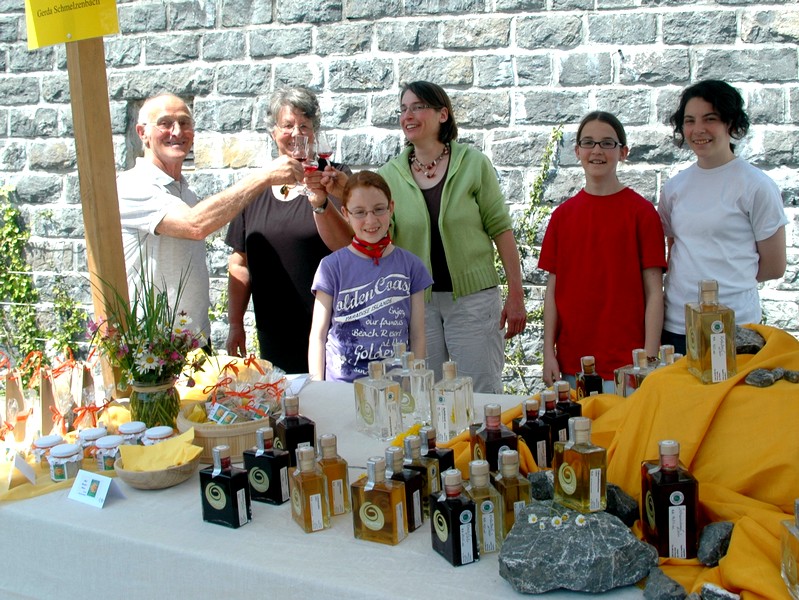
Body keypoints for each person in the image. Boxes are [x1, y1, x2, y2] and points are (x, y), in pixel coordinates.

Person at [117, 93, 304, 342]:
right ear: (142, 133)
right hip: (152, 346)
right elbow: (195, 225)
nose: (177, 131)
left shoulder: (186, 193)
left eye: (184, 123)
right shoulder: (132, 186)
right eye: (165, 123)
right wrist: (263, 177)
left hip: (194, 341)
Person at [378, 81, 526, 394]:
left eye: (418, 107)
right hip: (419, 304)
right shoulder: (389, 176)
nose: (408, 115)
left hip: (474, 301)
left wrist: (516, 294)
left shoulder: (473, 164)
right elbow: (380, 239)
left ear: (442, 114)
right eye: (403, 109)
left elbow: (501, 229)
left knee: (480, 393)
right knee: (424, 394)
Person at [225, 87, 352, 373]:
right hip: (274, 333)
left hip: (332, 329)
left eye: (304, 125)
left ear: (315, 132)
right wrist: (235, 324)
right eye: (287, 125)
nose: (296, 133)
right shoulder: (256, 187)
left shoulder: (335, 179)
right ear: (273, 133)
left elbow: (349, 246)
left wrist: (323, 202)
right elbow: (240, 263)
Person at [539, 111, 667, 391]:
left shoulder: (642, 213)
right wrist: (548, 352)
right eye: (588, 142)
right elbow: (552, 292)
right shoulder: (562, 217)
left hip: (628, 367)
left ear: (623, 152)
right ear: (577, 151)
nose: (597, 150)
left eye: (607, 143)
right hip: (572, 365)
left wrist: (649, 360)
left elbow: (654, 292)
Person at [659, 80, 788, 354]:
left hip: (736, 327)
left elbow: (774, 266)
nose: (698, 129)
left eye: (710, 119)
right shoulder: (674, 188)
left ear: (730, 123)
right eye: (689, 121)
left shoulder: (756, 185)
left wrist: (730, 285)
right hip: (677, 326)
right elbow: (675, 252)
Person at [308, 171, 433, 383]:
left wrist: (414, 382)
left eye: (379, 209)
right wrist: (317, 386)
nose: (370, 220)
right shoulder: (331, 267)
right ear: (345, 213)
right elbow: (318, 336)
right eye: (359, 212)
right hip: (341, 386)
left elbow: (418, 335)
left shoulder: (411, 266)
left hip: (394, 387)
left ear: (391, 207)